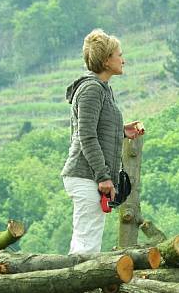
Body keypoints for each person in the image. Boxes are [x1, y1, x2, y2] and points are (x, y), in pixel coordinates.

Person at [61, 29, 144, 254]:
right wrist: (104, 176)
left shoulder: (102, 89)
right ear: (107, 60)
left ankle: (76, 286)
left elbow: (95, 129)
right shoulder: (91, 90)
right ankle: (75, 286)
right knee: (86, 243)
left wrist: (121, 130)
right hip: (86, 174)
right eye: (119, 54)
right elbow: (86, 136)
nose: (123, 59)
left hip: (90, 174)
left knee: (88, 239)